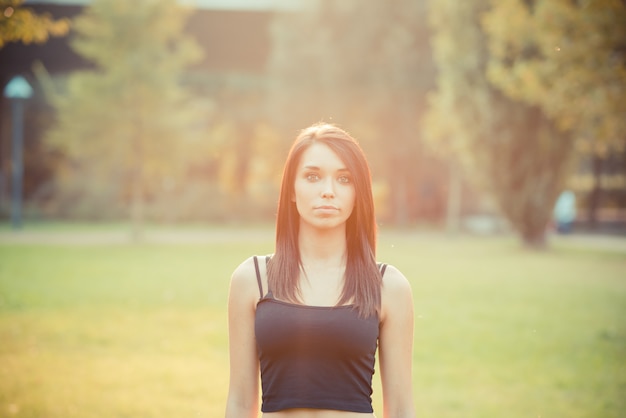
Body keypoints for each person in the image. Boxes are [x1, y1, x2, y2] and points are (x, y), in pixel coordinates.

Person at [225, 122, 415, 418]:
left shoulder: (388, 286)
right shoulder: (252, 280)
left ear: (358, 193)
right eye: (313, 177)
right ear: (291, 189)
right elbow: (239, 403)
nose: (328, 191)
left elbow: (401, 410)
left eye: (344, 179)